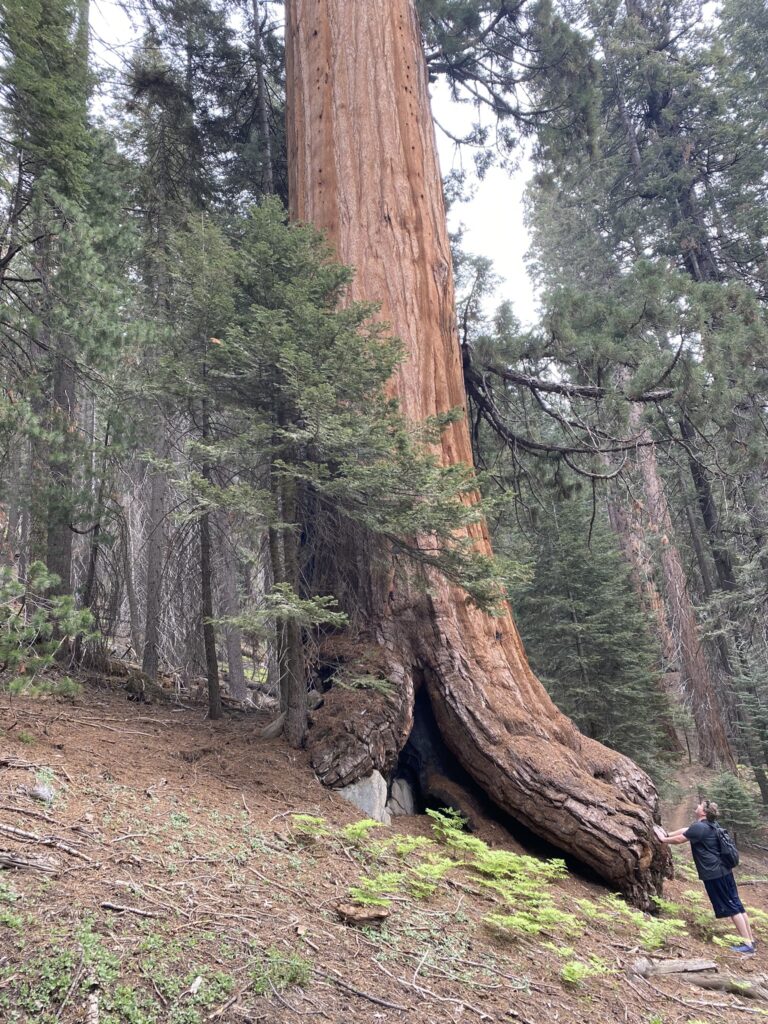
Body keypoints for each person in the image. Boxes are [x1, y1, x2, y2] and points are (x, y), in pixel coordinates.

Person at [658, 799, 756, 954]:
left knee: (732, 907)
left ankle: (747, 945)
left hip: (715, 874)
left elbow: (681, 839)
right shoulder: (709, 825)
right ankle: (750, 940)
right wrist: (667, 834)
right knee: (736, 904)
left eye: (699, 805)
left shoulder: (700, 827)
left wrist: (664, 840)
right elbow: (686, 830)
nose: (696, 806)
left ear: (703, 811)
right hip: (724, 871)